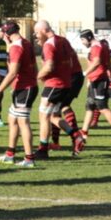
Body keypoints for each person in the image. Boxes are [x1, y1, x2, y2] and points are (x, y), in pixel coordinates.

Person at [32, 21, 86, 160]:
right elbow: (72, 62)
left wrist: (37, 77)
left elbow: (49, 66)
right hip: (65, 83)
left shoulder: (49, 44)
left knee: (43, 116)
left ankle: (43, 150)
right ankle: (76, 136)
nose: (36, 36)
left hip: (54, 84)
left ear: (44, 30)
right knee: (53, 116)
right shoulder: (63, 40)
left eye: (37, 33)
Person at [0, 21, 38, 167]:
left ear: (7, 33)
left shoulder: (16, 47)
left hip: (25, 88)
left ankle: (29, 159)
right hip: (23, 87)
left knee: (23, 122)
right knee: (12, 119)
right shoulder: (26, 43)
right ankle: (10, 155)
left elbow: (12, 72)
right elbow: (34, 67)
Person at [80, 30, 111, 142]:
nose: (82, 43)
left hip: (99, 81)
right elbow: (106, 61)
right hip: (95, 80)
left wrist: (84, 73)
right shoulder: (100, 46)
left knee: (102, 108)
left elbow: (97, 61)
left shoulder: (96, 46)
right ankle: (83, 132)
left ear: (88, 38)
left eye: (83, 40)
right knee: (90, 106)